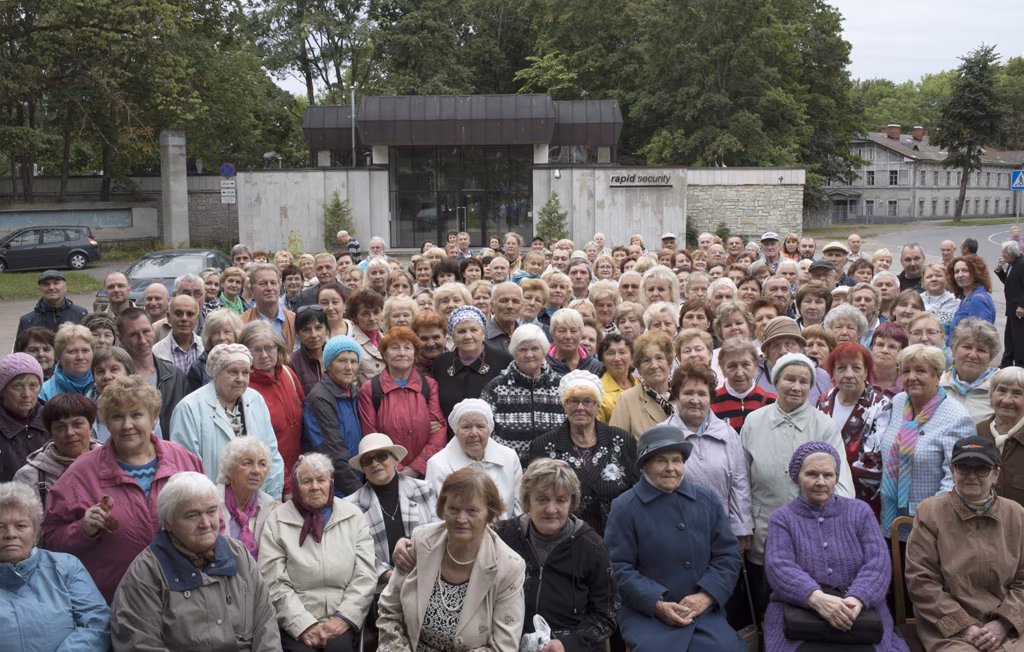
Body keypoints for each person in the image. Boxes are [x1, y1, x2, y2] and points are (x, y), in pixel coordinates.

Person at [42, 376, 204, 603]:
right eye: (117, 416)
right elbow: (51, 534)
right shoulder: (81, 472)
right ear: (106, 423)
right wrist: (83, 529)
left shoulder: (184, 461)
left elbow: (214, 519)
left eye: (136, 414)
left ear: (154, 418)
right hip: (115, 600)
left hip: (185, 595)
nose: (127, 425)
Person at [604, 423, 745, 652]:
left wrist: (706, 597)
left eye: (677, 460)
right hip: (648, 615)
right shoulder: (625, 507)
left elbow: (728, 556)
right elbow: (618, 567)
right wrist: (656, 604)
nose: (671, 468)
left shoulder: (707, 501)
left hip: (703, 613)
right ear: (645, 466)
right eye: (661, 461)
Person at [110, 472, 280, 651]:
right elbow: (139, 644)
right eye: (192, 515)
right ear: (168, 522)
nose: (205, 523)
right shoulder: (146, 572)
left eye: (211, 511)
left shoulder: (239, 554)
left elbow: (266, 625)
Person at [764, 442, 909, 652]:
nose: (821, 482)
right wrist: (817, 598)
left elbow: (878, 563)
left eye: (828, 475)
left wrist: (856, 599)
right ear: (796, 477)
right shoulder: (782, 518)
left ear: (836, 477)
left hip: (858, 610)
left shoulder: (860, 512)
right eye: (812, 474)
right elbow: (779, 567)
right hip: (799, 611)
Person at [741, 352, 854, 605]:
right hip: (763, 528)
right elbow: (742, 482)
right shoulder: (754, 421)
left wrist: (832, 527)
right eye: (789, 379)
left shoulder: (825, 425)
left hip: (813, 532)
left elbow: (843, 485)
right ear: (776, 381)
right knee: (765, 601)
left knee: (805, 601)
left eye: (804, 381)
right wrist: (743, 525)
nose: (796, 387)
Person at [378, 467, 526, 652]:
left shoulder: (509, 566)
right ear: (442, 510)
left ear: (489, 514)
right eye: (454, 509)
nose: (461, 519)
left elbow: (503, 646)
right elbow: (389, 611)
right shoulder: (421, 542)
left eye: (472, 511)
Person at [906, 436, 1024, 652]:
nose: (971, 476)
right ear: (952, 470)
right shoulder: (929, 512)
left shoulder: (1017, 514)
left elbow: (1023, 582)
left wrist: (1003, 623)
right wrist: (965, 627)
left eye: (981, 468)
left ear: (996, 474)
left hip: (1010, 626)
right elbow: (921, 581)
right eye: (963, 467)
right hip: (947, 627)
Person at [492, 458, 618, 652]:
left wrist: (567, 644)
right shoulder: (503, 536)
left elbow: (606, 615)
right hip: (511, 642)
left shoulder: (592, 547)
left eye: (561, 500)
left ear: (572, 502)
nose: (551, 510)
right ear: (527, 501)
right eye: (542, 499)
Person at [259, 453, 377, 652]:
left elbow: (365, 574)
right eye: (307, 481)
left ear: (330, 483)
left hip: (340, 619)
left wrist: (345, 617)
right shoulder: (277, 519)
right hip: (294, 621)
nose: (315, 486)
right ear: (296, 486)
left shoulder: (352, 516)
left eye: (321, 480)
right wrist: (302, 623)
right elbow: (272, 580)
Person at [877, 344, 975, 543]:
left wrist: (930, 516)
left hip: (930, 526)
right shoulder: (898, 402)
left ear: (937, 376)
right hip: (891, 517)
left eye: (920, 371)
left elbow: (956, 478)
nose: (911, 377)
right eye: (906, 371)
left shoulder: (956, 417)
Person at [0, 482, 110, 652]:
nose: (10, 534)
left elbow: (97, 623)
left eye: (21, 526)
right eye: (0, 527)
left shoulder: (66, 567)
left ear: (36, 533)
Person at [170, 343, 285, 498]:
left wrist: (274, 497)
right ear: (216, 374)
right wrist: (206, 508)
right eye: (233, 372)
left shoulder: (256, 399)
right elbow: (186, 469)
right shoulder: (189, 408)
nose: (240, 379)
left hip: (257, 502)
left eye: (245, 372)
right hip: (211, 505)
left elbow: (271, 452)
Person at [664, 361, 752, 543]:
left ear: (710, 398)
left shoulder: (728, 434)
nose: (695, 400)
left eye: (702, 394)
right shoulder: (662, 435)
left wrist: (741, 529)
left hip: (721, 531)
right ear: (677, 396)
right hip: (676, 532)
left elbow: (739, 484)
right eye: (688, 393)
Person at [345, 433, 438, 584]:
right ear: (363, 469)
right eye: (368, 460)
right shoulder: (351, 506)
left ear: (395, 459)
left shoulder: (425, 490)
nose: (375, 463)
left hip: (426, 579)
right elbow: (355, 552)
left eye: (381, 456)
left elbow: (438, 533)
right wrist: (388, 575)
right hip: (381, 589)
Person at [358, 327, 446, 479]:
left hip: (425, 475)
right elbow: (371, 435)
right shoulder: (370, 389)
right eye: (395, 348)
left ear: (414, 353)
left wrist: (416, 467)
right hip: (387, 475)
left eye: (407, 347)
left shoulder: (429, 386)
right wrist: (396, 468)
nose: (402, 353)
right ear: (384, 354)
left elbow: (439, 432)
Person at [817, 342, 893, 517]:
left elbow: (874, 466)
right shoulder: (823, 402)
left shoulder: (881, 406)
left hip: (863, 504)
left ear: (866, 371)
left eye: (856, 368)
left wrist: (824, 474)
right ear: (833, 372)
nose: (849, 375)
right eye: (842, 368)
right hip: (821, 501)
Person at [479, 324, 564, 467]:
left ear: (544, 351)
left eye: (535, 349)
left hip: (552, 471)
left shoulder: (560, 386)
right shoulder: (497, 387)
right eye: (523, 349)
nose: (529, 355)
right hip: (507, 468)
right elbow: (483, 426)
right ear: (514, 352)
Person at [426, 399, 522, 519]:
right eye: (466, 427)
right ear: (456, 431)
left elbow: (519, 511)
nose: (474, 433)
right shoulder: (437, 464)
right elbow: (435, 517)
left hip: (505, 535)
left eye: (480, 426)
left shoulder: (509, 457)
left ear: (489, 429)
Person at [243, 321, 305, 496]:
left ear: (278, 348)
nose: (264, 355)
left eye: (269, 347)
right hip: (272, 483)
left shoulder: (288, 374)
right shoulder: (247, 390)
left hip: (301, 474)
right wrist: (285, 485)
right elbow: (260, 446)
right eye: (256, 350)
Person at [301, 335, 365, 496]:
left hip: (356, 480)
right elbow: (332, 451)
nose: (349, 367)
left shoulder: (353, 392)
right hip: (337, 489)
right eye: (342, 361)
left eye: (353, 361)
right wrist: (358, 492)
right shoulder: (320, 398)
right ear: (329, 364)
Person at [432, 306, 513, 426]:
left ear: (483, 334)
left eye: (474, 330)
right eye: (461, 331)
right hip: (451, 438)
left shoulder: (504, 361)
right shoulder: (441, 363)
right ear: (453, 337)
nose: (468, 336)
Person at [116, 307, 189, 440]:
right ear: (121, 339)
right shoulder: (116, 379)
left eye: (146, 331)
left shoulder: (175, 376)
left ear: (153, 331)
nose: (142, 340)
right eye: (133, 335)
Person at [13, 393, 100, 502]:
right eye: (60, 427)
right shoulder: (29, 477)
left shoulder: (114, 462)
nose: (69, 433)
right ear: (50, 432)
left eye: (77, 424)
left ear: (91, 427)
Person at [215, 437, 278, 559]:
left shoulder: (270, 506)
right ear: (230, 468)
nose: (256, 470)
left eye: (262, 464)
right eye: (247, 463)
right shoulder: (211, 501)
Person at [610, 331, 675, 439]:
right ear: (639, 369)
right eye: (646, 360)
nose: (654, 365)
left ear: (669, 364)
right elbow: (616, 444)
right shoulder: (627, 400)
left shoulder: (683, 395)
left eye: (659, 358)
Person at [753, 316, 833, 404]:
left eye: (790, 344)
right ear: (767, 353)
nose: (783, 351)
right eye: (776, 346)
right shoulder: (755, 377)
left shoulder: (821, 377)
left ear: (802, 348)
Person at [975, 367, 1024, 507]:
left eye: (1017, 393)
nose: (1007, 400)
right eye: (1001, 390)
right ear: (991, 396)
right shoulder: (976, 433)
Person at [940, 317, 1001, 424]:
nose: (973, 355)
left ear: (990, 357)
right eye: (967, 347)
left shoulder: (1001, 389)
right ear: (954, 350)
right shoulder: (937, 385)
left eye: (981, 350)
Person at [0, 353, 47, 483]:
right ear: (3, 390)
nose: (26, 394)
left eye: (33, 385)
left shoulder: (52, 420)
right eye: (17, 386)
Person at [712, 338, 776, 431]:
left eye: (745, 364)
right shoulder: (711, 403)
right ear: (722, 368)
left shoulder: (771, 402)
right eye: (732, 366)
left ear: (755, 364)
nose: (739, 373)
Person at [16, 269, 88, 337]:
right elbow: (20, 349)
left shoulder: (81, 314)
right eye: (46, 284)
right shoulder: (28, 321)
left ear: (65, 287)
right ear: (40, 289)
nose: (51, 287)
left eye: (56, 283)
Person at [188, 307, 243, 392]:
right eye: (216, 333)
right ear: (209, 337)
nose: (221, 337)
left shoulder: (245, 362)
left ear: (236, 335)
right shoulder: (198, 368)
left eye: (227, 332)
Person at [947, 254, 996, 343]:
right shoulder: (966, 298)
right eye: (956, 271)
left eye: (965, 270)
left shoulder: (978, 300)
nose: (960, 275)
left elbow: (980, 339)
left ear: (976, 273)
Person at [39, 323, 94, 400]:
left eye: (85, 350)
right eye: (72, 351)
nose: (80, 357)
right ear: (59, 357)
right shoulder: (43, 392)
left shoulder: (104, 384)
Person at [546, 307, 603, 375]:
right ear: (553, 334)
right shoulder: (543, 364)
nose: (568, 336)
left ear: (581, 334)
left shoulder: (595, 367)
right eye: (562, 331)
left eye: (573, 331)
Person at [597, 332, 637, 423]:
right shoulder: (598, 391)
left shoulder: (641, 385)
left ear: (632, 358)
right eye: (611, 353)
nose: (617, 359)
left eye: (622, 352)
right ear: (602, 360)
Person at [347, 290, 386, 383]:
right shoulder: (351, 345)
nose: (372, 318)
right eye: (365, 313)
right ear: (355, 317)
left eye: (376, 312)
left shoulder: (387, 339)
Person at [996, 240, 1024, 368]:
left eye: (1004, 253)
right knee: (1010, 338)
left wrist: (1022, 306)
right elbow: (1010, 283)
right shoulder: (1012, 264)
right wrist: (999, 270)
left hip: (1018, 310)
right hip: (1012, 309)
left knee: (1018, 339)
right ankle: (1006, 364)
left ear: (1011, 254)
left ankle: (1019, 365)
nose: (1002, 256)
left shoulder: (1022, 264)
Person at [290, 305, 329, 395]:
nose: (314, 335)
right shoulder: (291, 364)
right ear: (298, 333)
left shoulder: (337, 356)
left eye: (318, 328)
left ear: (326, 329)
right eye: (306, 330)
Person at [870, 322, 908, 397]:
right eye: (880, 344)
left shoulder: (908, 384)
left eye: (892, 347)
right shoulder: (860, 379)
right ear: (872, 347)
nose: (884, 350)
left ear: (902, 352)